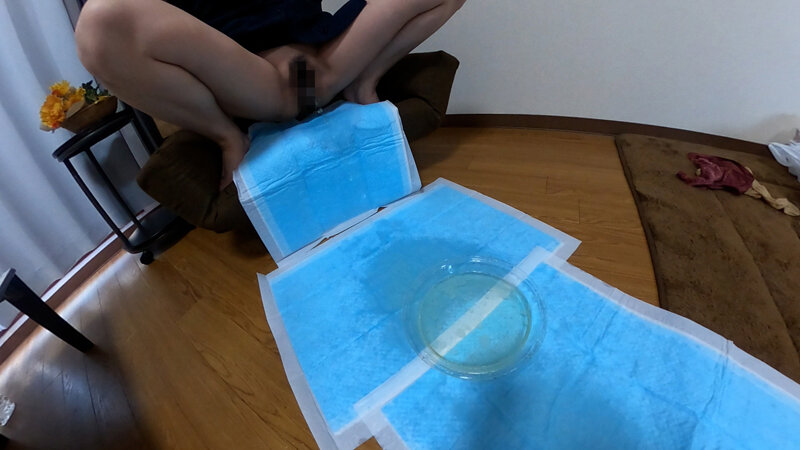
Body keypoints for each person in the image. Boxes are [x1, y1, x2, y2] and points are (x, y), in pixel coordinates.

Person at [74, 0, 466, 188]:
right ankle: (228, 137)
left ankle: (362, 83)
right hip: (265, 82)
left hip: (327, 58)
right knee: (99, 18)